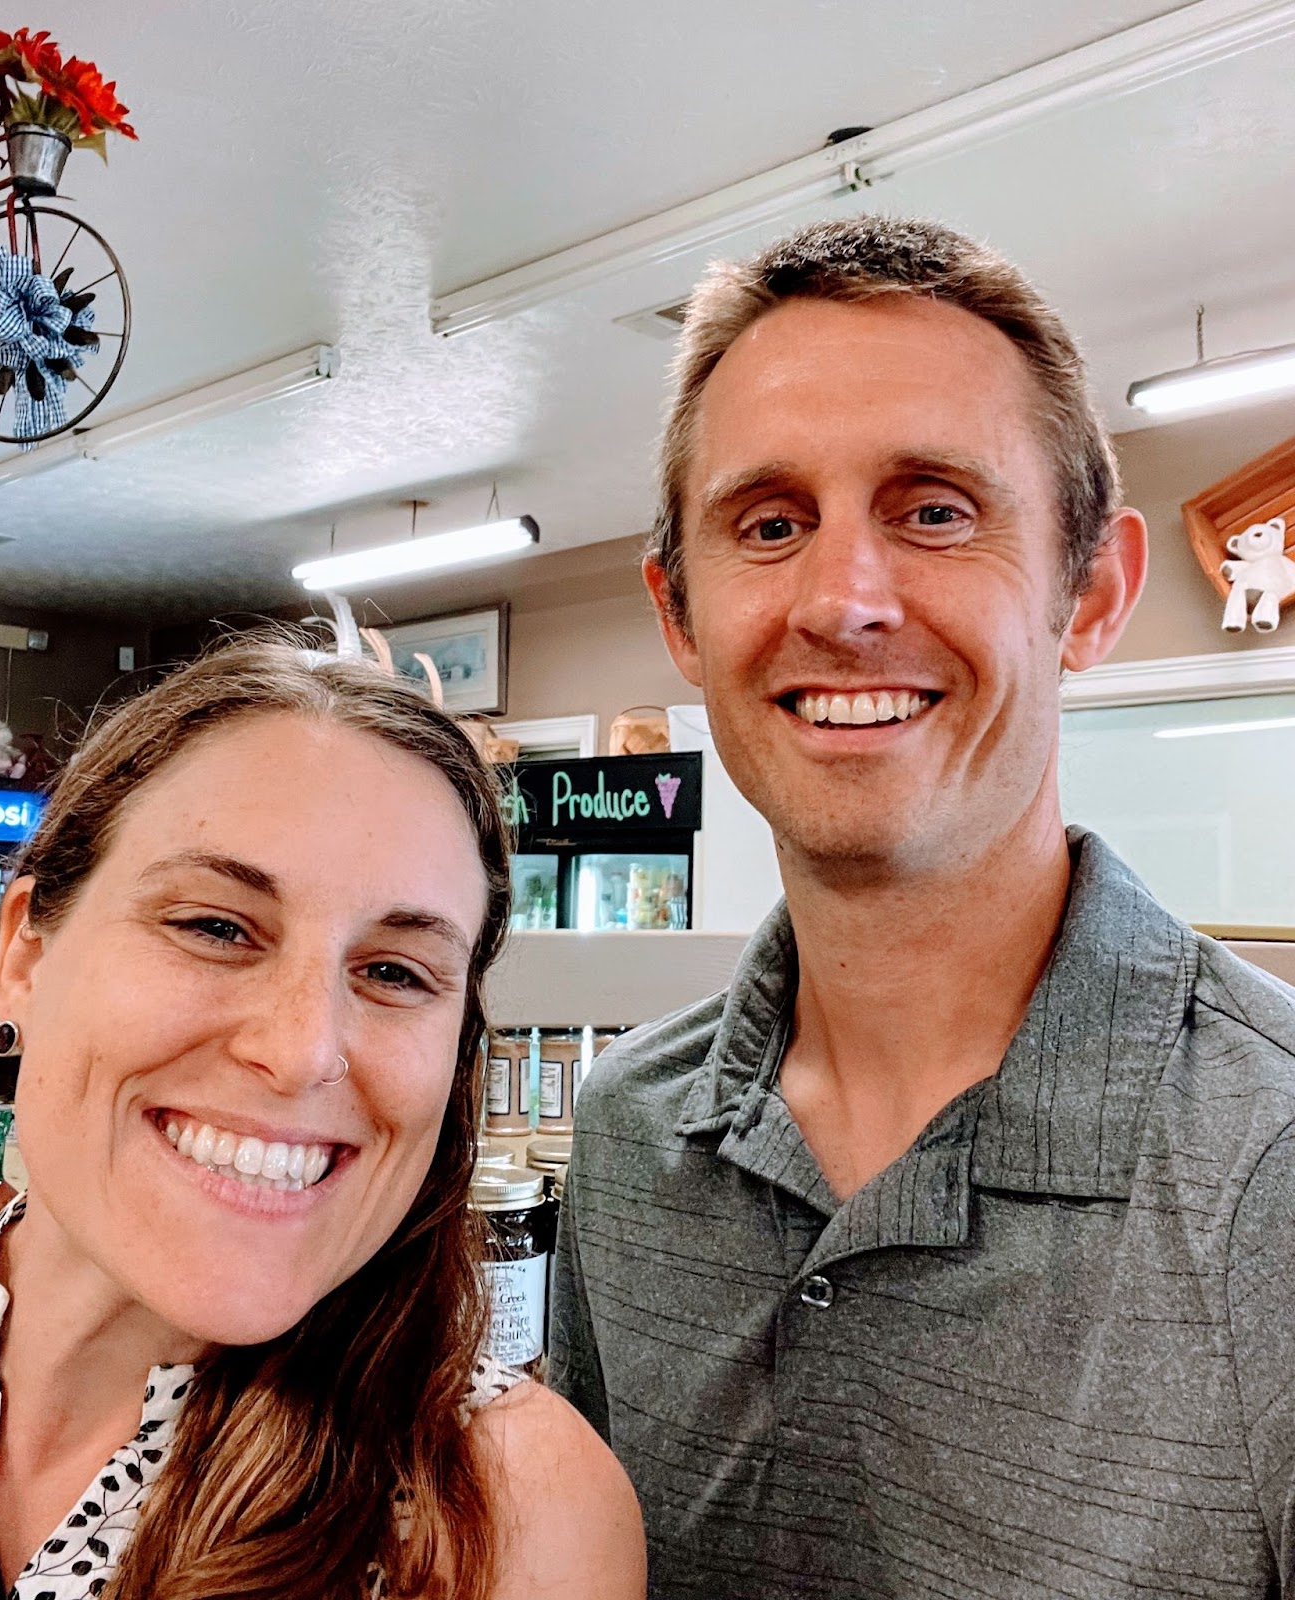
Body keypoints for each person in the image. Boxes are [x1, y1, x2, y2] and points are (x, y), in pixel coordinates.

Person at [548, 214, 1295, 1598]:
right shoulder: (631, 1136)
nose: (845, 597)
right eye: (770, 525)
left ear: (1093, 593)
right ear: (681, 615)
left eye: (935, 510)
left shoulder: (1276, 1174)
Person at [0, 638, 644, 1599]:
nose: (304, 1050)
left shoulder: (497, 1517)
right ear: (25, 953)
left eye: (396, 973)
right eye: (215, 927)